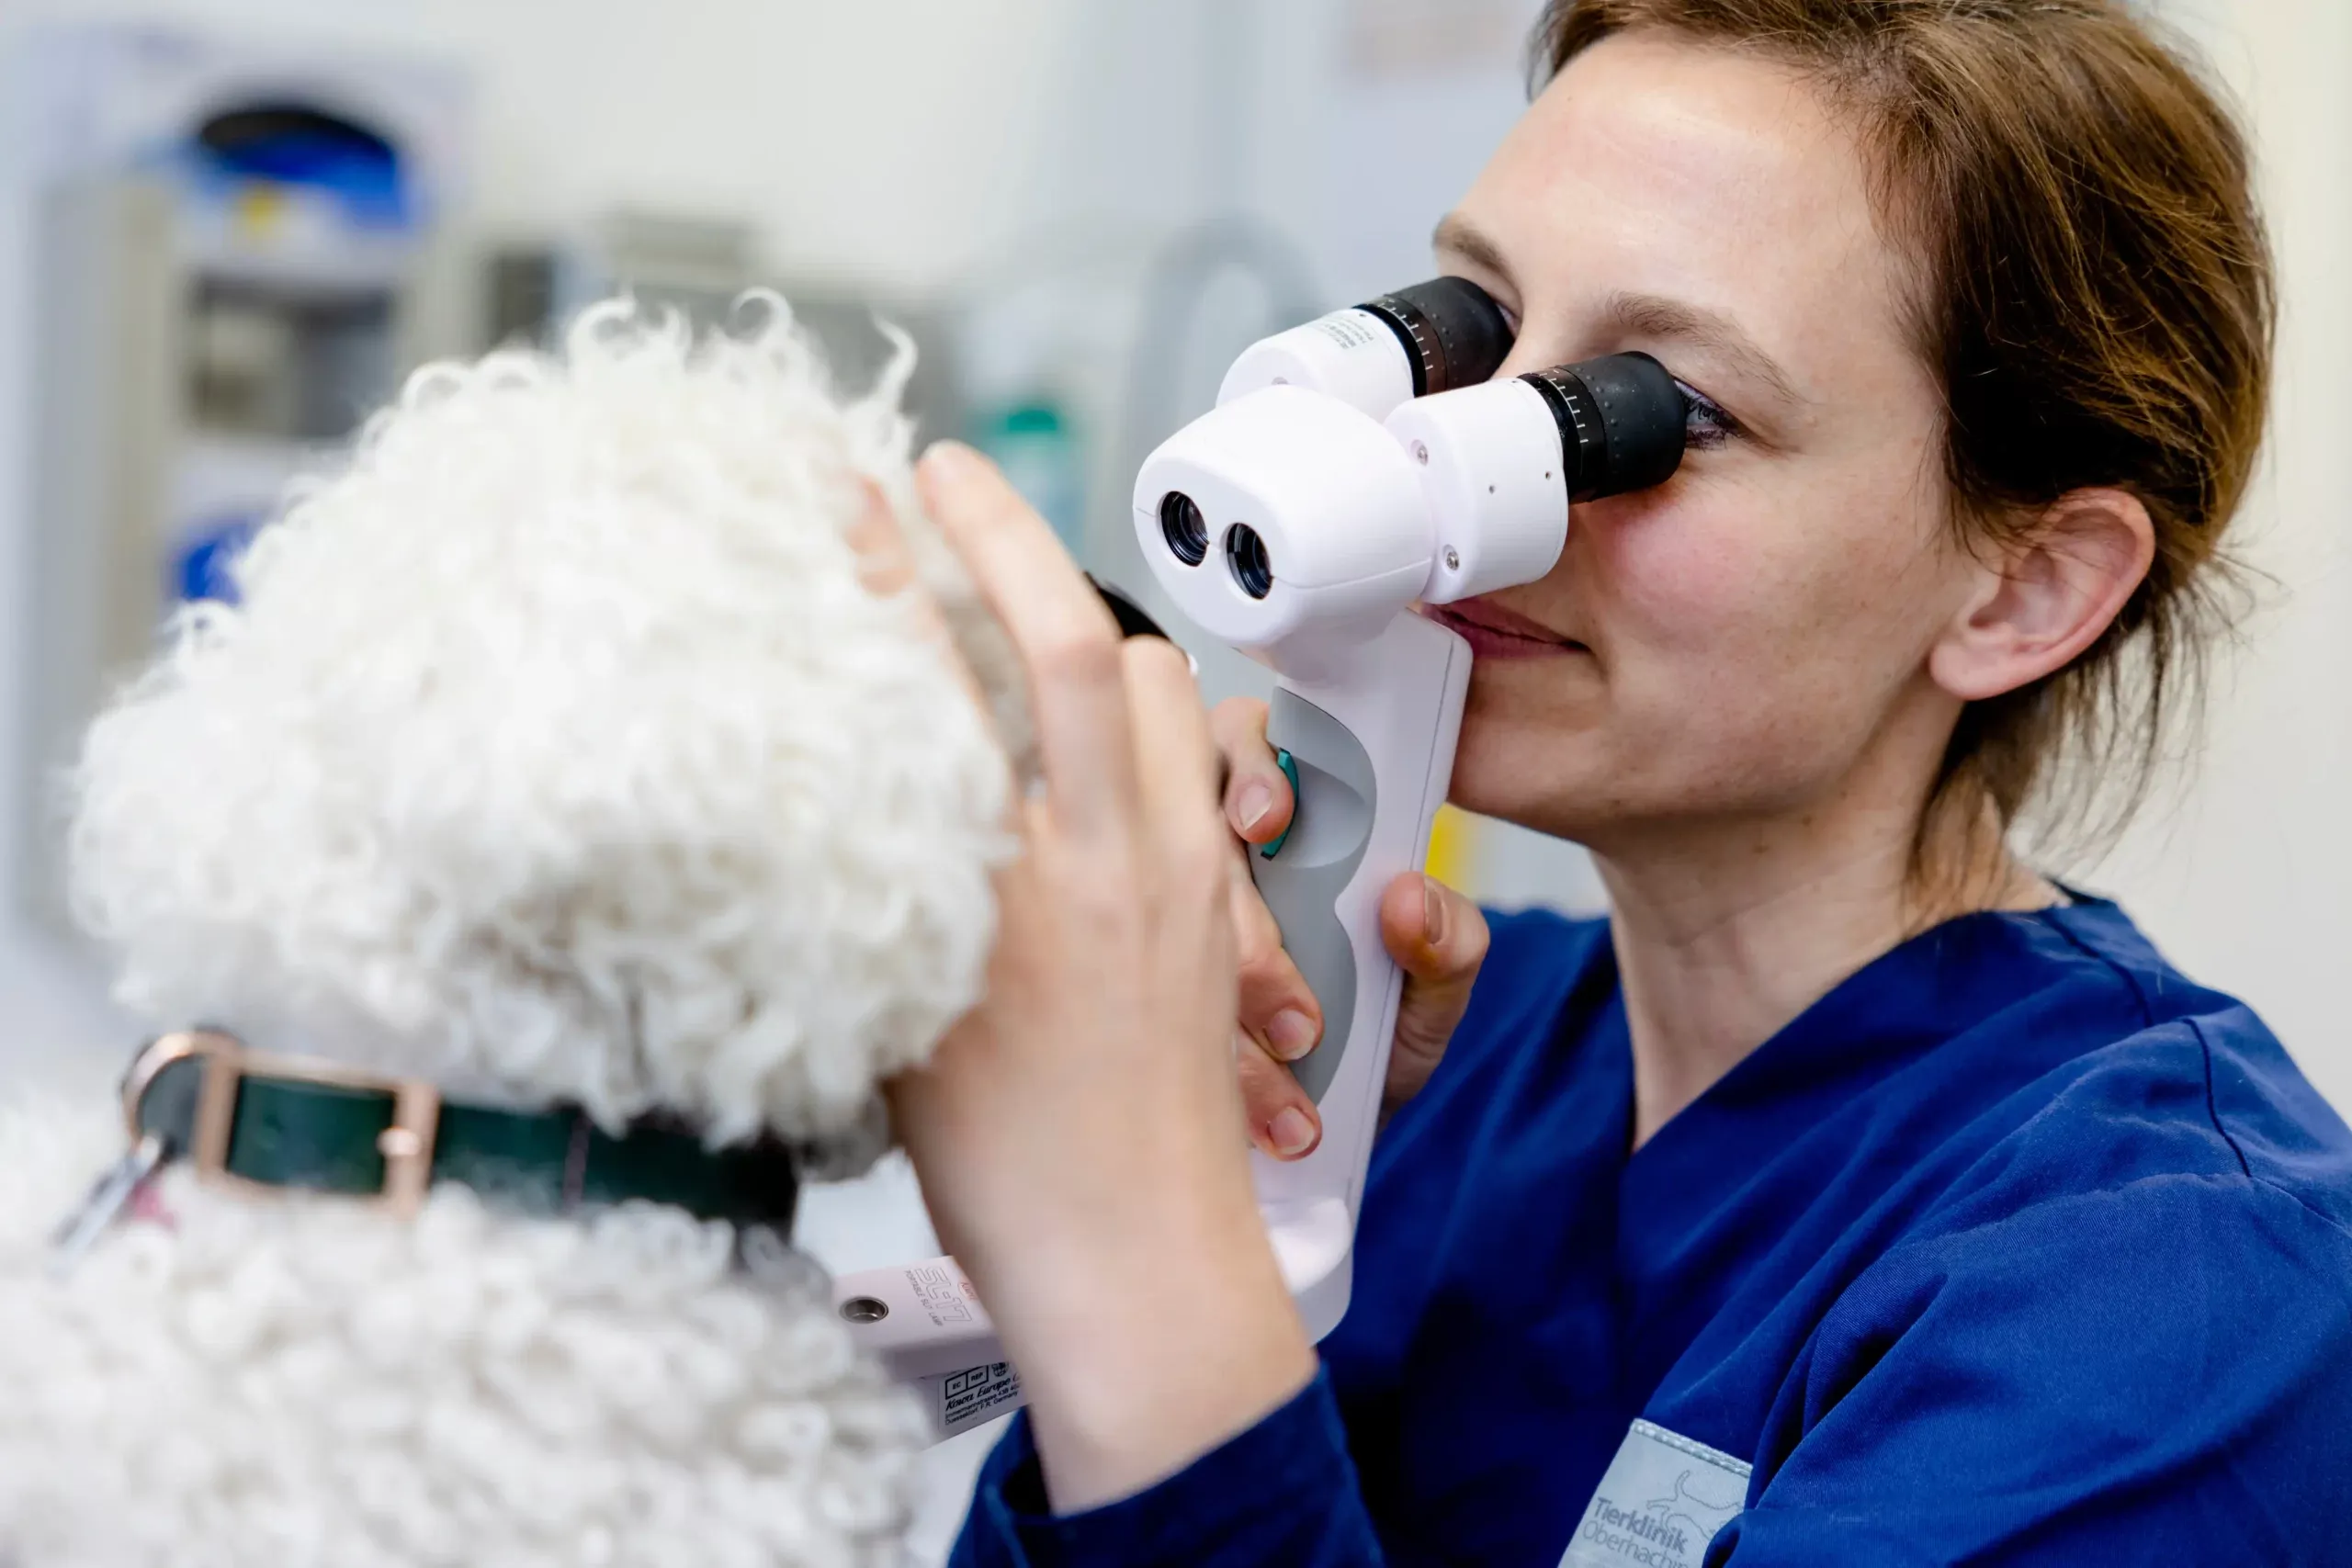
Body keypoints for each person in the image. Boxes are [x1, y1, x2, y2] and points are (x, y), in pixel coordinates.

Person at [888, 1, 2352, 1562]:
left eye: (1657, 410)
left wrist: (1141, 1249)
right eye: (1466, 324)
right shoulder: (1433, 1039)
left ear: (2025, 589)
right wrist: (1214, 1150)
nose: (1451, 464)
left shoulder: (2177, 1288)